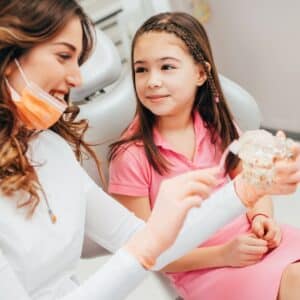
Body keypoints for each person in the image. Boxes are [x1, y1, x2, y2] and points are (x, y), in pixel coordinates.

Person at [108, 12, 300, 300]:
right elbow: (147, 251)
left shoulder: (220, 128)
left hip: (251, 243)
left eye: (167, 67)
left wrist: (262, 218)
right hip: (201, 266)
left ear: (200, 73)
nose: (152, 81)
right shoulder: (130, 156)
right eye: (141, 70)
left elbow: (253, 188)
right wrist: (224, 254)